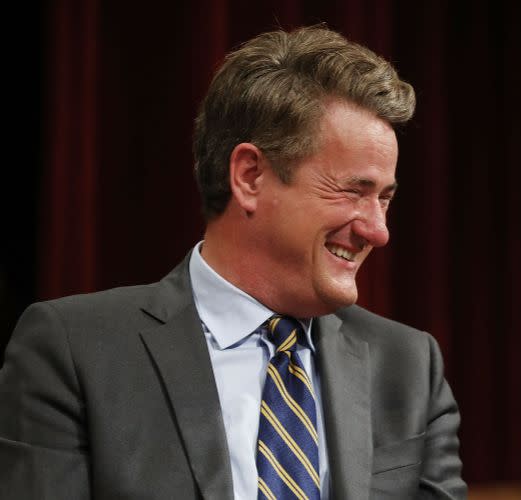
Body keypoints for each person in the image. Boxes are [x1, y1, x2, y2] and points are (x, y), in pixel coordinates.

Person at [0, 26, 466, 499]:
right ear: (250, 176)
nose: (378, 231)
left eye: (384, 199)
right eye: (353, 191)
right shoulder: (74, 352)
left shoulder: (409, 368)